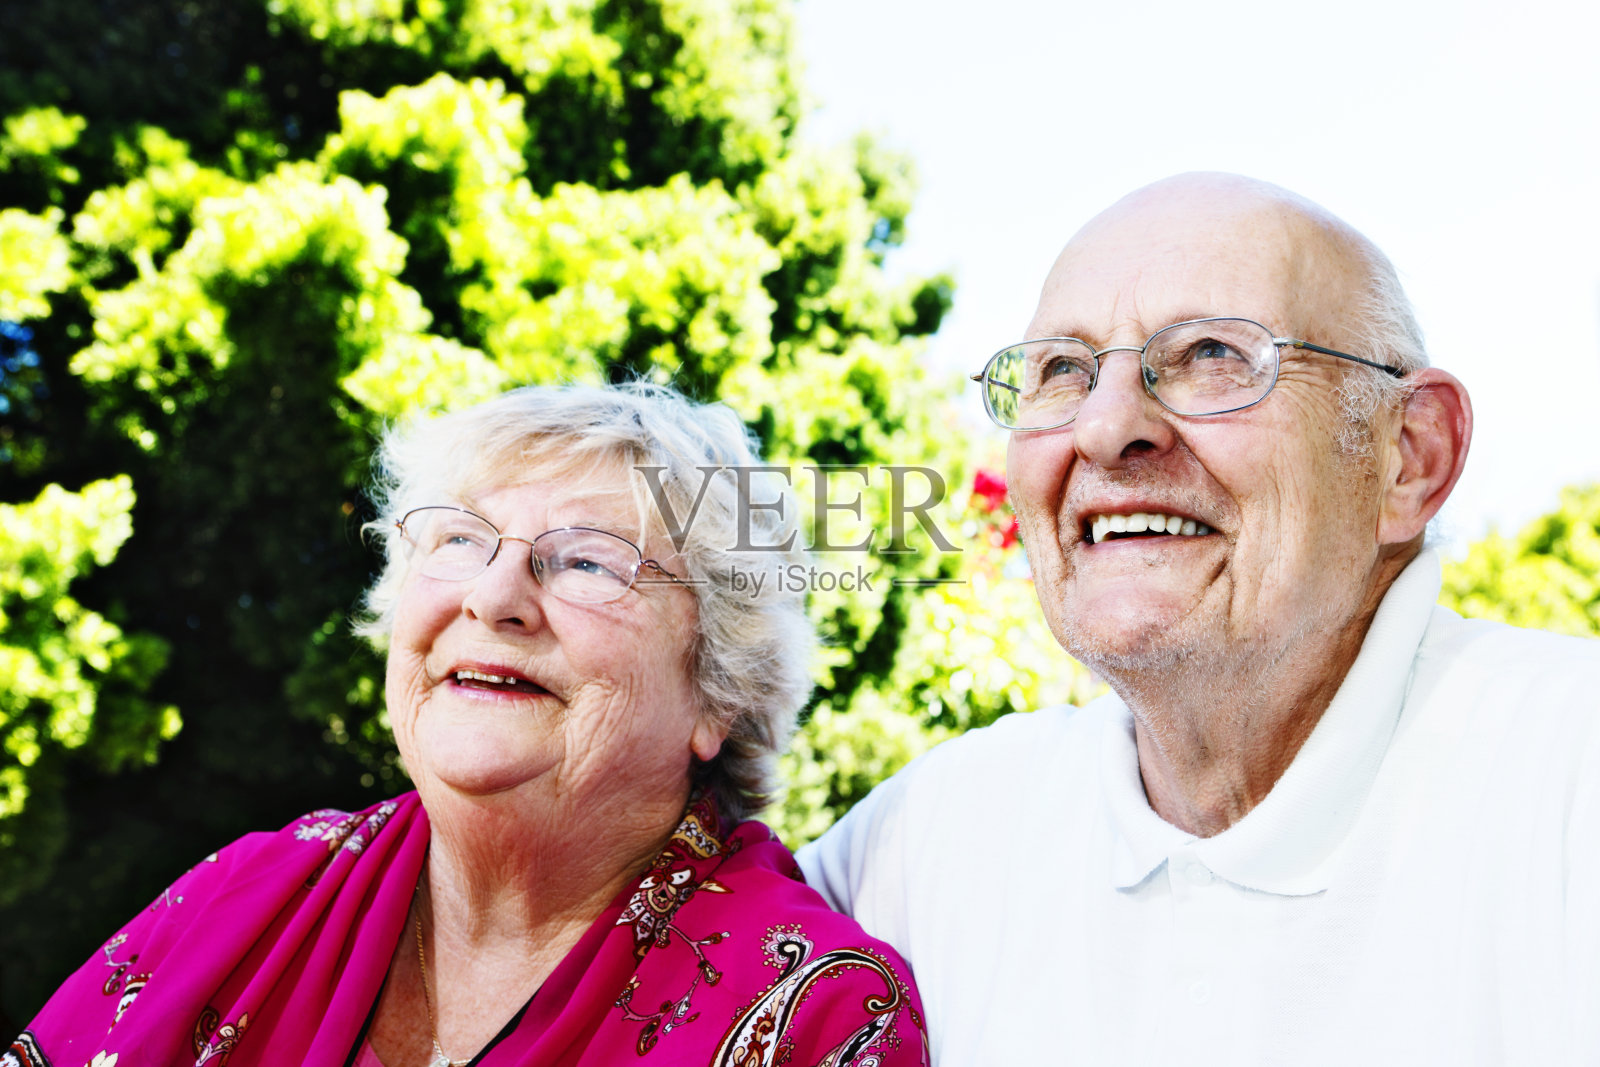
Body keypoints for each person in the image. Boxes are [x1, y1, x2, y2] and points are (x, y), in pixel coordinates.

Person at [798, 173, 1600, 1064]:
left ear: (1407, 456)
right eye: (1062, 370)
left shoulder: (1570, 782)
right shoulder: (929, 839)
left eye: (1214, 354)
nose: (1105, 429)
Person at [15, 383, 927, 1067]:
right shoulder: (254, 891)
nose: (494, 597)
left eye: (585, 561)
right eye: (458, 540)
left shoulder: (817, 1013)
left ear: (718, 691)